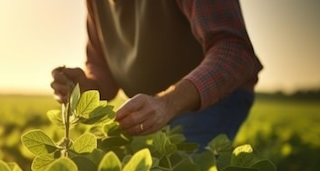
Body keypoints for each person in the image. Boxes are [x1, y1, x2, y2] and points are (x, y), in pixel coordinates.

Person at [51, 0, 263, 149]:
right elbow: (102, 72)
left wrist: (168, 104)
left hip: (216, 99)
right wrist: (85, 87)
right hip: (152, 108)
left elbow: (235, 51)